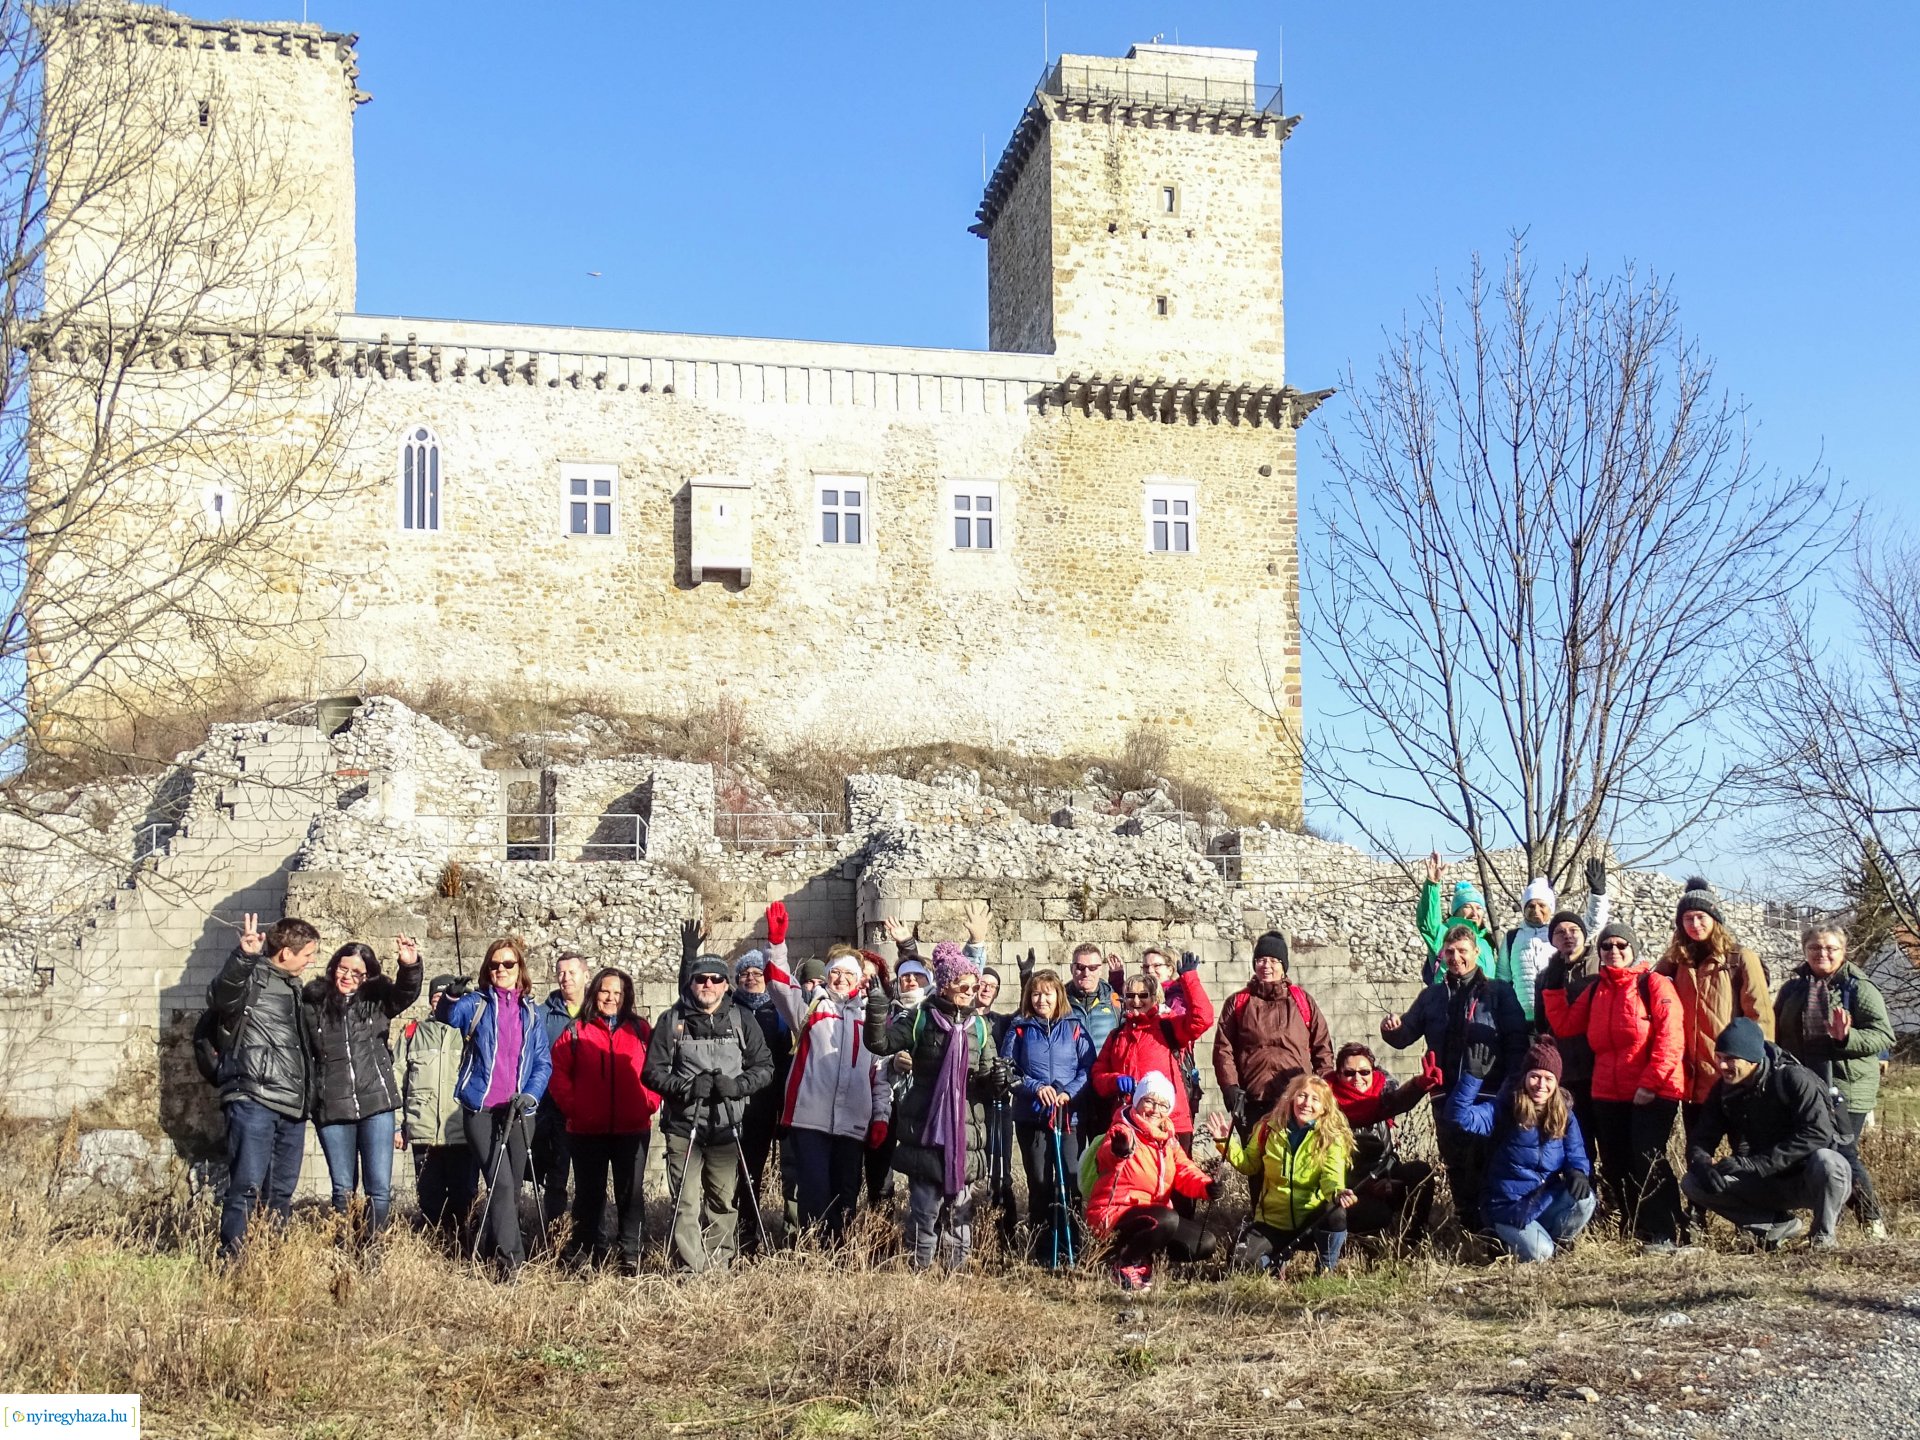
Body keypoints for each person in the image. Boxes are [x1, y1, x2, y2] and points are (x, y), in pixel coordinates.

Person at [864, 934, 1010, 1270]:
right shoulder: (921, 1019)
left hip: (965, 1134)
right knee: (924, 1209)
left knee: (961, 1212)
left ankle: (954, 1274)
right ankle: (919, 1272)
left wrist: (998, 1082)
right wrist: (876, 1004)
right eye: (962, 985)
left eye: (973, 987)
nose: (969, 992)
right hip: (926, 1131)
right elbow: (880, 1043)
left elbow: (986, 1084)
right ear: (944, 986)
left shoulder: (981, 1027)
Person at [1540, 922, 1687, 1252]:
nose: (1614, 951)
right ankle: (1636, 1226)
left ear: (1634, 949)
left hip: (1653, 1089)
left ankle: (1666, 1229)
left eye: (1622, 945)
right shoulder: (1596, 990)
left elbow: (1671, 1038)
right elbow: (1564, 1025)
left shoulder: (1655, 985)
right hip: (1608, 1090)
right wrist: (1552, 987)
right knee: (1616, 1162)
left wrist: (1650, 1082)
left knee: (1648, 1157)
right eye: (1607, 946)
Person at [1380, 923, 1528, 1234]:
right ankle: (1470, 1229)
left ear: (1477, 953)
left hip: (1489, 1094)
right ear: (1442, 955)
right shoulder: (1431, 996)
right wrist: (1390, 1028)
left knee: (1491, 1160)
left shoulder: (1499, 993)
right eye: (1450, 951)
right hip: (1445, 1096)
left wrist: (1514, 1087)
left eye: (1462, 951)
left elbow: (1517, 1043)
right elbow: (1403, 1036)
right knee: (1457, 1165)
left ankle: (1497, 1229)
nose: (1456, 957)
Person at [762, 909, 892, 1243]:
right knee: (814, 1195)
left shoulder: (871, 1017)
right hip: (811, 1121)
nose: (841, 979)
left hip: (853, 1122)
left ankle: (838, 1260)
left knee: (845, 1197)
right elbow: (778, 987)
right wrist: (776, 944)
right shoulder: (812, 1008)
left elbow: (879, 1074)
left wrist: (880, 1116)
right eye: (835, 973)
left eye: (849, 974)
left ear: (858, 979)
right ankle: (812, 1257)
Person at [642, 947, 776, 1272]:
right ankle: (692, 1268)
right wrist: (686, 1088)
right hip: (682, 1127)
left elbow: (764, 1066)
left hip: (726, 1127)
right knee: (685, 1202)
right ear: (690, 983)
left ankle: (718, 1265)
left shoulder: (741, 1019)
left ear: (726, 985)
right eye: (701, 978)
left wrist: (737, 1086)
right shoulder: (672, 1021)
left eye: (716, 979)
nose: (708, 984)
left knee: (723, 1201)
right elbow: (651, 1072)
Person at [206, 913, 320, 1258]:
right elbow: (221, 996)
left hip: (291, 1105)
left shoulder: (294, 987)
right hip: (254, 1097)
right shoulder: (252, 976)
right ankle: (234, 1261)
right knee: (246, 1186)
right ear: (285, 952)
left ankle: (270, 1261)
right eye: (308, 954)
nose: (311, 961)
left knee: (281, 1192)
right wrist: (243, 957)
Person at [1682, 1017, 1852, 1248]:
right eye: (1719, 1057)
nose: (1721, 1066)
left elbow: (1817, 1134)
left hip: (1808, 1178)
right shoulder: (1723, 1090)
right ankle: (1776, 1226)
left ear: (1752, 1059)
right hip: (1764, 1181)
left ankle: (1823, 1236)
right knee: (1693, 1182)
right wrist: (1702, 1164)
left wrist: (1757, 1164)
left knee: (1829, 1162)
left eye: (1730, 1059)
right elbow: (1702, 1138)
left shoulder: (1794, 1078)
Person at [1773, 926, 1893, 1238]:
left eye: (1830, 948)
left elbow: (1883, 1034)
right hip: (1805, 1085)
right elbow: (1778, 1032)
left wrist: (1847, 1037)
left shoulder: (1858, 987)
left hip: (1847, 1084)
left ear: (1843, 950)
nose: (1822, 954)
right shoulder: (1793, 988)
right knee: (1817, 1153)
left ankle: (1871, 1219)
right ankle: (1828, 1220)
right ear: (1804, 950)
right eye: (1814, 947)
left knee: (1843, 1151)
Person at [446, 937, 553, 1278]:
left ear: (520, 969)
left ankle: (490, 1249)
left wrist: (531, 1095)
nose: (500, 970)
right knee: (501, 1184)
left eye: (508, 964)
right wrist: (451, 994)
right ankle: (512, 1264)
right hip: (481, 1109)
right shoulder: (475, 1005)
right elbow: (447, 1015)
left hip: (521, 1112)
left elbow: (542, 1063)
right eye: (494, 965)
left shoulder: (532, 1013)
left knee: (509, 1187)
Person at [303, 937, 423, 1237]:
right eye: (343, 969)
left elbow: (406, 993)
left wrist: (409, 966)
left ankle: (373, 1250)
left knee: (378, 1189)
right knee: (343, 1189)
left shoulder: (377, 1002)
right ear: (333, 968)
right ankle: (344, 1250)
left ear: (367, 976)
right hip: (332, 1108)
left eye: (356, 973)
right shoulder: (313, 1004)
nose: (347, 977)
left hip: (377, 1105)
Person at [548, 966, 659, 1272]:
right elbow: (557, 1074)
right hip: (586, 1129)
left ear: (627, 996)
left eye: (618, 993)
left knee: (631, 1194)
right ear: (594, 993)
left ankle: (630, 1254)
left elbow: (656, 1069)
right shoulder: (575, 1030)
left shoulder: (640, 1030)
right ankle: (583, 1253)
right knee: (588, 1194)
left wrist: (649, 1102)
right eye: (605, 991)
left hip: (632, 1126)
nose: (611, 998)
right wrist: (575, 1108)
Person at [1446, 1039, 1596, 1263]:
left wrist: (1578, 1171)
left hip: (1544, 1200)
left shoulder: (1564, 1113)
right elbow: (1458, 1117)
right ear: (1525, 1076)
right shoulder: (1505, 1109)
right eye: (1535, 1076)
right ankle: (1505, 1240)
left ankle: (1555, 1244)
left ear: (1556, 1082)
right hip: (1507, 1206)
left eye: (1548, 1078)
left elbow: (1575, 1152)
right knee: (1540, 1254)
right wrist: (1472, 1078)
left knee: (1586, 1200)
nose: (1540, 1084)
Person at [1086, 1071, 1222, 1291]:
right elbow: (1106, 1155)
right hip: (1117, 1213)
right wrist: (1118, 1151)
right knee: (1167, 1219)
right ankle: (1125, 1263)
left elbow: (1184, 1170)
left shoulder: (1168, 1138)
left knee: (1204, 1243)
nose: (1154, 1110)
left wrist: (1206, 1186)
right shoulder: (1123, 1129)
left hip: (1154, 1217)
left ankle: (1145, 1259)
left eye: (1162, 1105)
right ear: (1138, 1101)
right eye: (1149, 1101)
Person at [1656, 877, 1773, 1130]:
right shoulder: (1675, 961)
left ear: (1715, 919)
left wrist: (1757, 1068)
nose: (1695, 924)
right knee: (1698, 1153)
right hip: (1690, 1079)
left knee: (1742, 1153)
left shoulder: (1740, 959)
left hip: (1732, 1075)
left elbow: (1760, 1016)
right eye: (1688, 918)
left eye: (1701, 917)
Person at [1215, 1073, 1357, 1275]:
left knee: (1336, 1213)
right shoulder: (1268, 1128)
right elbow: (1249, 1165)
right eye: (1302, 1095)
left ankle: (1325, 1269)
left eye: (1315, 1099)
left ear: (1325, 1107)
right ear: (1291, 1097)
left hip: (1309, 1222)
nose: (1306, 1103)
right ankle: (1275, 1263)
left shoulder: (1331, 1138)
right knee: (1239, 1265)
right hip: (1272, 1222)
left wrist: (1337, 1192)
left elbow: (1331, 1176)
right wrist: (1225, 1142)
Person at [1000, 967, 1096, 1263]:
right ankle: (1040, 1250)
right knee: (1039, 1183)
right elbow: (1009, 1071)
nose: (1041, 999)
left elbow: (1087, 1068)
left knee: (1069, 1181)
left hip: (1069, 1117)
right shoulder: (1019, 1028)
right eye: (1036, 993)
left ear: (1059, 996)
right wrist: (1035, 1087)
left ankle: (1072, 1246)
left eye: (1047, 993)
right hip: (1032, 1116)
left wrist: (1068, 1092)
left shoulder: (1076, 1026)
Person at [1213, 931, 1332, 1141]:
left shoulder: (1302, 1001)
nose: (1266, 966)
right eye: (1261, 960)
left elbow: (1322, 1047)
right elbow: (1224, 1049)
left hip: (1297, 1100)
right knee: (1257, 1166)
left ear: (1283, 965)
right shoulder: (1239, 1003)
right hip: (1253, 1100)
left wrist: (1323, 1088)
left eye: (1273, 960)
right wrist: (1230, 1087)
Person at [1328, 1043, 1442, 1244]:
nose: (1358, 1079)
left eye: (1364, 1072)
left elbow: (1400, 1100)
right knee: (1376, 1213)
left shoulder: (1381, 1096)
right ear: (1338, 1074)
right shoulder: (1325, 1106)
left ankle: (1413, 1240)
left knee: (1420, 1172)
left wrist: (1420, 1084)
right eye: (1349, 1073)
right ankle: (1357, 1245)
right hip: (1349, 1187)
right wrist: (1366, 1187)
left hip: (1385, 1174)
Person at [396, 973, 476, 1235]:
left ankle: (461, 1251)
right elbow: (398, 1080)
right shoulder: (412, 1033)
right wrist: (398, 1126)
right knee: (429, 1199)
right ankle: (433, 1248)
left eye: (447, 997)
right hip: (424, 1131)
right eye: (436, 997)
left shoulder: (470, 1033)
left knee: (463, 1198)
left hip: (461, 1133)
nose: (440, 1002)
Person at [730, 940, 793, 1254]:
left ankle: (747, 1235)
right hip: (732, 1104)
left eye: (757, 972)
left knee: (753, 1172)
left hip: (766, 1105)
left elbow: (784, 1063)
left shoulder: (778, 1012)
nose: (751, 977)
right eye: (745, 973)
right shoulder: (728, 1007)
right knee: (728, 1174)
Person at [1498, 858, 1609, 1023]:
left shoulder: (1560, 933)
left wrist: (1598, 894)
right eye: (1531, 906)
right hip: (1520, 1020)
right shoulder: (1512, 938)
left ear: (1550, 907)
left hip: (1557, 1016)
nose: (1536, 910)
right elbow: (1502, 978)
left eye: (1542, 905)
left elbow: (1593, 923)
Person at [1531, 907, 1602, 1160]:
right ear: (1552, 940)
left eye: (1573, 930)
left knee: (1610, 1142)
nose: (1567, 936)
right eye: (1560, 933)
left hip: (1599, 1068)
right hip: (1565, 1073)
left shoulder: (1601, 966)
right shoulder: (1546, 977)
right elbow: (1541, 1024)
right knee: (1575, 1142)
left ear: (1584, 934)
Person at [532, 951, 591, 1239]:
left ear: (585, 976)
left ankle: (587, 1238)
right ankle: (554, 1241)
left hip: (591, 1113)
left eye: (571, 972)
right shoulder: (542, 1015)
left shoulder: (597, 1014)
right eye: (560, 972)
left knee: (588, 1181)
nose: (565, 978)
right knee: (555, 1179)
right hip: (553, 1111)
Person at [1141, 947, 1206, 1124]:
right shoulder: (1142, 996)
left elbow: (1192, 1021)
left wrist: (1189, 979)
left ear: (1170, 969)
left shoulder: (1178, 997)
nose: (1150, 971)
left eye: (1156, 966)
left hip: (1175, 1072)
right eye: (1146, 967)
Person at [1416, 851, 1495, 984]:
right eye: (1468, 906)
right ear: (1455, 911)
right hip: (1451, 1002)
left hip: (1484, 1003)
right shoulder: (1443, 934)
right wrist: (1432, 884)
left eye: (1479, 908)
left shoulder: (1486, 941)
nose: (1475, 913)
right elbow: (1427, 921)